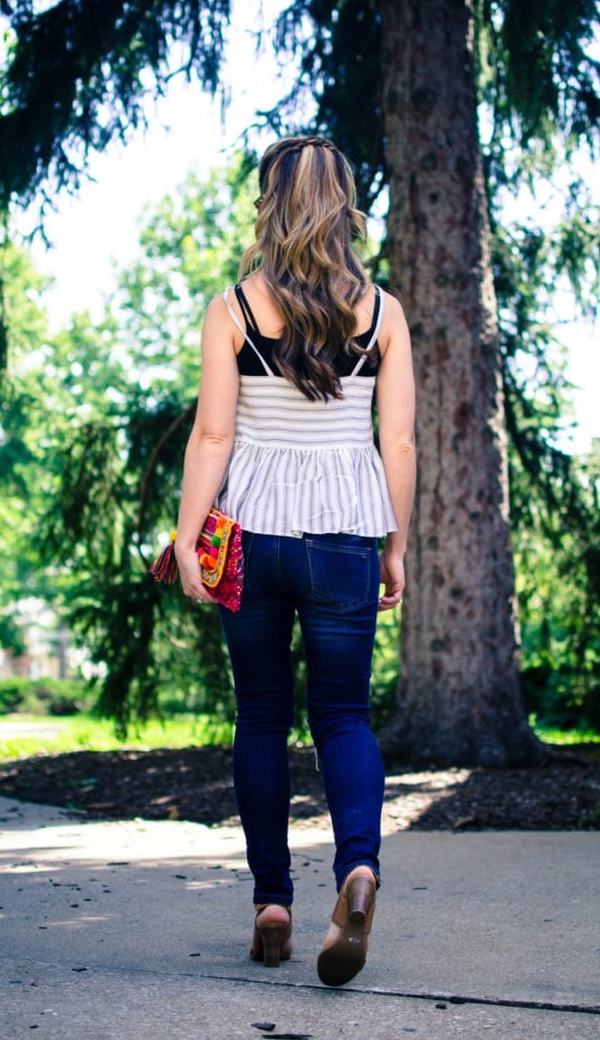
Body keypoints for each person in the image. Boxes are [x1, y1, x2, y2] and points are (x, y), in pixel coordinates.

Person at [172, 134, 416, 987]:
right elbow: (399, 440)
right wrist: (396, 545)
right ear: (343, 203)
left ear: (269, 202)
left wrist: (186, 536)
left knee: (261, 717)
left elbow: (212, 436)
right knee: (343, 717)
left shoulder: (233, 309)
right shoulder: (382, 312)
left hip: (252, 534)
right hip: (346, 531)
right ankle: (357, 870)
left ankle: (271, 902)